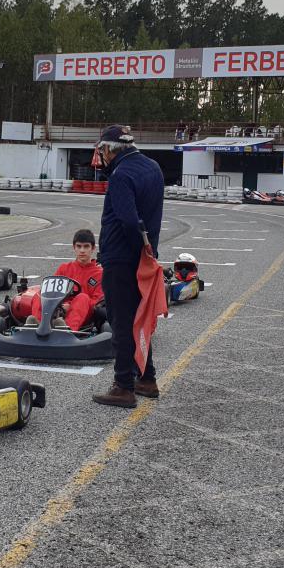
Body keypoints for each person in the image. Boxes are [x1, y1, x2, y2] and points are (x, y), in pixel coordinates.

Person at [92, 124, 164, 409]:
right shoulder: (152, 167)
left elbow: (128, 220)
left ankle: (123, 385)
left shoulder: (121, 175)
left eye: (102, 152)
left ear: (109, 149)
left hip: (123, 259)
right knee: (140, 320)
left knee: (121, 322)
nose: (102, 158)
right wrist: (147, 254)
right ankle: (147, 378)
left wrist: (136, 252)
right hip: (144, 258)